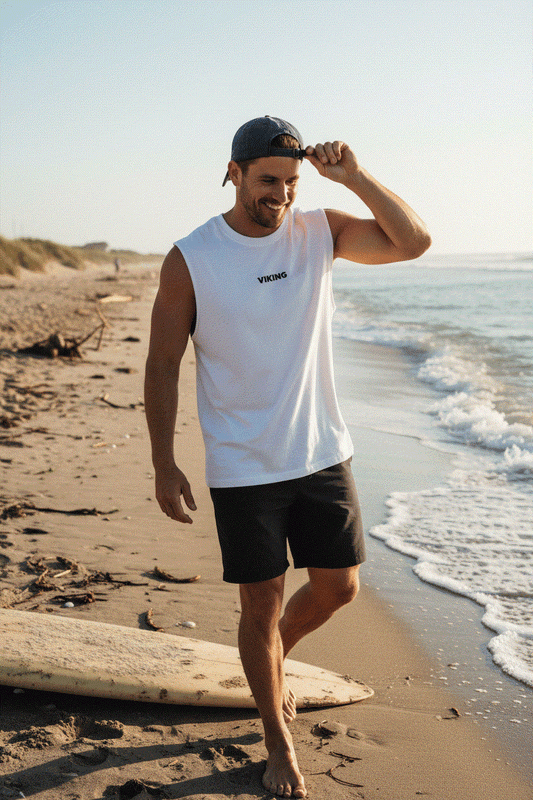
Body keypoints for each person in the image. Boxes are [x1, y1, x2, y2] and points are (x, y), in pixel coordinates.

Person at [144, 116, 431, 798]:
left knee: (338, 588)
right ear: (234, 172)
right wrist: (163, 461)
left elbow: (413, 243)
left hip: (321, 451)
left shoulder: (318, 231)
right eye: (267, 180)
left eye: (291, 182)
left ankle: (268, 666)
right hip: (244, 464)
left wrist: (353, 176)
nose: (280, 195)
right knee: (259, 610)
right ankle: (276, 742)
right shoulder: (193, 256)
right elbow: (161, 363)